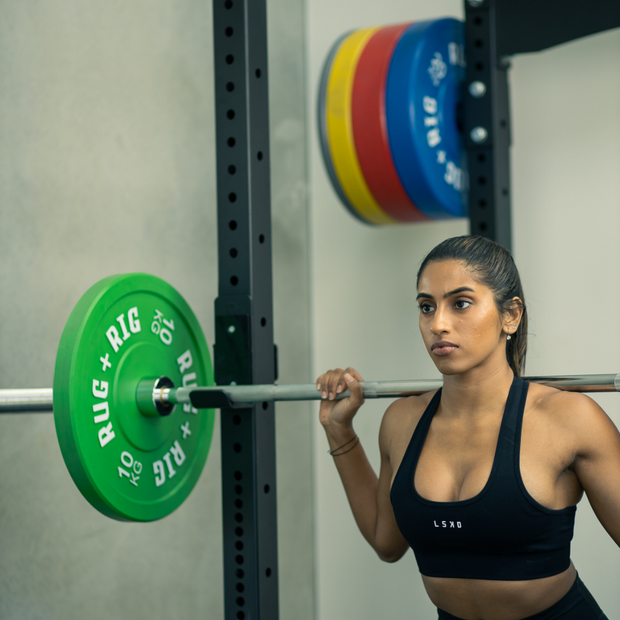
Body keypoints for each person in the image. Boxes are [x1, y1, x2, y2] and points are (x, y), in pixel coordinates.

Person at [316, 235, 618, 620]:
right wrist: (338, 430)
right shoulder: (402, 420)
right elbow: (386, 543)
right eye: (427, 307)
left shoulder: (569, 419)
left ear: (511, 315)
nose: (438, 323)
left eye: (460, 303)